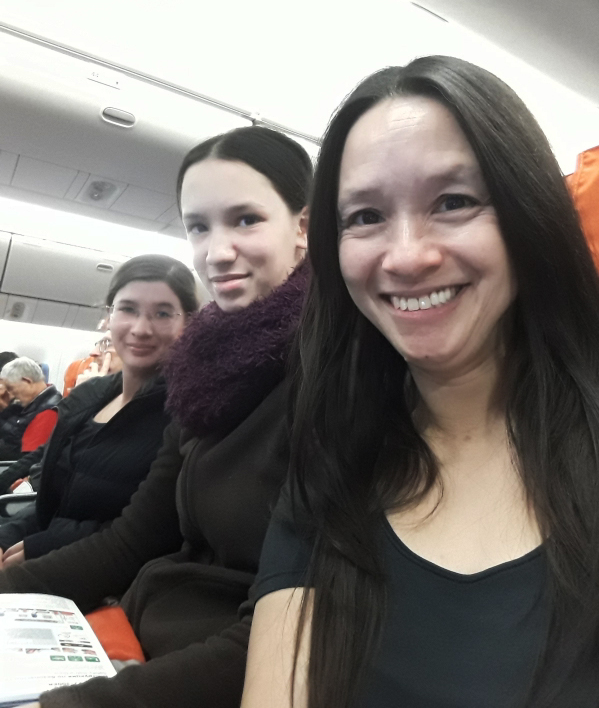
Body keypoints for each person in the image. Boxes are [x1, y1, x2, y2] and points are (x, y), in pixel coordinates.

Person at [242, 56, 599, 708]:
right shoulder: (331, 462)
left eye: (454, 202)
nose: (406, 256)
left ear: (528, 216)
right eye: (365, 216)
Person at [0, 125, 311, 708]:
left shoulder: (327, 376)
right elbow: (135, 538)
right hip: (135, 630)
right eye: (198, 226)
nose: (217, 252)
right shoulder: (206, 377)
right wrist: (7, 585)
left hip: (209, 670)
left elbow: (289, 633)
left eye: (246, 219)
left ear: (303, 227)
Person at [0, 253, 197, 564]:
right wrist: (6, 537)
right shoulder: (88, 397)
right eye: (128, 309)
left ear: (188, 323)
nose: (140, 328)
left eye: (162, 313)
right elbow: (49, 503)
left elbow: (153, 533)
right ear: (109, 317)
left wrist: (41, 546)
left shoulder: (186, 414)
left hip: (102, 569)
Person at [0, 358, 62, 459]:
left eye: (11, 388)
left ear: (27, 381)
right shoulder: (30, 402)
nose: (10, 394)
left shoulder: (48, 412)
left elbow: (30, 459)